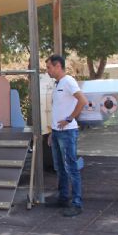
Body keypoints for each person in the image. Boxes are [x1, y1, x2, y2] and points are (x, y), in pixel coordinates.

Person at [45, 54, 88, 217]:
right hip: (57, 132)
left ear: (57, 66)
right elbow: (57, 109)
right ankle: (63, 198)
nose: (47, 70)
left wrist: (70, 118)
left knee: (71, 167)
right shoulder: (57, 84)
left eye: (49, 67)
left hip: (68, 132)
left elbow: (82, 100)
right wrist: (52, 132)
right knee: (60, 168)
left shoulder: (68, 81)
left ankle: (77, 203)